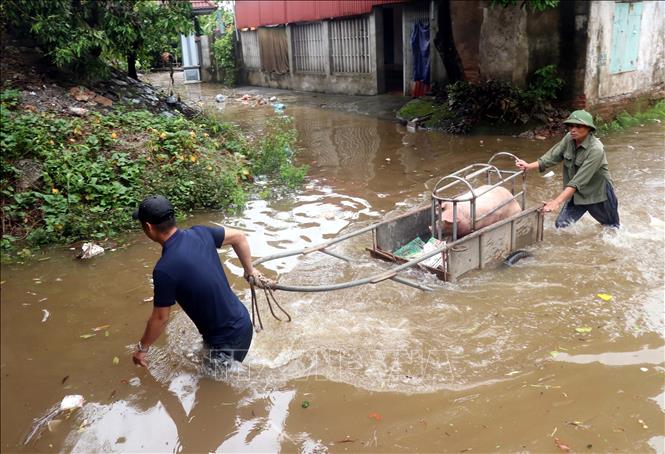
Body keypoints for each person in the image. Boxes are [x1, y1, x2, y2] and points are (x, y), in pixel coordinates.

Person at [131, 195, 261, 368]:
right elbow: (239, 237)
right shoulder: (201, 233)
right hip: (242, 321)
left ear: (148, 227)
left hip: (227, 340)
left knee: (212, 388)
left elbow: (160, 318)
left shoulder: (164, 269)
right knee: (210, 363)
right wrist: (249, 270)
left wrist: (141, 349)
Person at [515, 110, 620, 228]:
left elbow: (577, 181)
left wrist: (556, 202)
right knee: (561, 226)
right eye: (571, 126)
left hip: (598, 194)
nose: (573, 130)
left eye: (578, 126)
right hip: (577, 193)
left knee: (612, 228)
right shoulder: (569, 138)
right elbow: (552, 157)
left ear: (589, 128)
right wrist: (528, 166)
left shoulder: (596, 150)